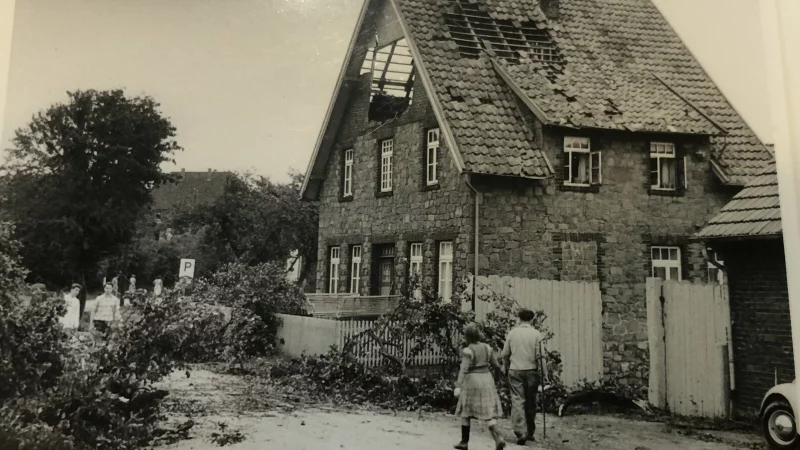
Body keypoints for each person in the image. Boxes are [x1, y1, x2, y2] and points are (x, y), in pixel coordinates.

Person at [453, 323, 506, 450]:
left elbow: (463, 370)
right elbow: (497, 366)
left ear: (467, 336)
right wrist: (498, 379)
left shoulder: (468, 350)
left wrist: (458, 386)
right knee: (488, 412)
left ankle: (464, 442)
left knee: (466, 411)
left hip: (472, 380)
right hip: (487, 379)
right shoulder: (487, 348)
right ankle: (498, 438)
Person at [500, 309, 548, 445]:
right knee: (531, 401)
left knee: (517, 400)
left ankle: (520, 432)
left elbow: (504, 354)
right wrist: (545, 373)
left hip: (515, 370)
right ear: (532, 320)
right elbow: (541, 356)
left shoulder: (512, 333)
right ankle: (530, 432)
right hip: (532, 370)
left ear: (519, 319)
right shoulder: (536, 334)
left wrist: (506, 366)